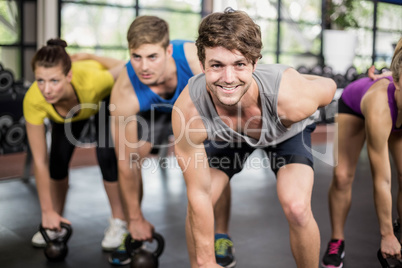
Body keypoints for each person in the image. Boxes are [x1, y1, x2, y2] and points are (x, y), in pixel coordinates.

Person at [172, 8, 337, 268]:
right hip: (232, 136)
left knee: (296, 206)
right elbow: (199, 194)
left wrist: (303, 81)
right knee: (202, 200)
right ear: (202, 64)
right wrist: (204, 263)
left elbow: (329, 87)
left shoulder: (293, 98)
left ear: (254, 64)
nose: (228, 79)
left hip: (286, 131)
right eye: (216, 65)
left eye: (239, 64)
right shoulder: (189, 111)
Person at [108, 15, 235, 267]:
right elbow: (125, 162)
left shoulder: (194, 62)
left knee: (215, 163)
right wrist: (134, 218)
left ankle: (221, 234)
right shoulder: (125, 90)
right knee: (133, 156)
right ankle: (135, 228)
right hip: (154, 113)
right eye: (136, 57)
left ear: (168, 50)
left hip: (193, 107)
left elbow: (223, 110)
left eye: (152, 57)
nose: (144, 67)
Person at [23, 38, 128, 251]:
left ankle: (119, 221)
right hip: (65, 112)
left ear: (68, 76)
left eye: (54, 81)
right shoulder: (35, 99)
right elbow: (40, 161)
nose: (46, 89)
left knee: (106, 155)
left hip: (100, 99)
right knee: (56, 161)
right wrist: (46, 211)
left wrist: (91, 56)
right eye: (40, 80)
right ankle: (55, 221)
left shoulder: (94, 80)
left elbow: (125, 66)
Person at [321, 37, 402, 268]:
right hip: (356, 105)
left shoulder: (397, 79)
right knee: (343, 176)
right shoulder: (380, 108)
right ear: (396, 81)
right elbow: (382, 180)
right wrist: (386, 235)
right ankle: (337, 240)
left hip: (395, 108)